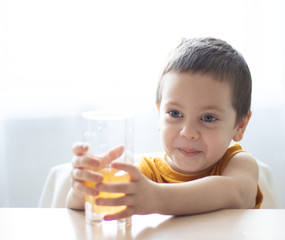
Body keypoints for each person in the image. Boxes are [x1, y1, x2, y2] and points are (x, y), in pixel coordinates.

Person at [66, 37, 263, 220]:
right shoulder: (146, 173)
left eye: (208, 118)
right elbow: (84, 204)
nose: (188, 132)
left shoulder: (238, 163)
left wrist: (157, 198)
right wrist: (85, 186)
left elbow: (237, 194)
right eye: (175, 114)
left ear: (240, 126)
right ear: (160, 115)